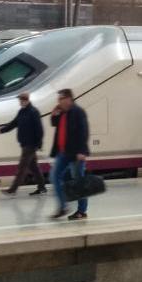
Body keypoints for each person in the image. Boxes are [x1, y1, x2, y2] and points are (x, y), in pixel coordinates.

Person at [49, 89, 90, 221]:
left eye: (62, 99)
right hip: (63, 152)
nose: (60, 102)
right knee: (54, 176)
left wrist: (82, 151)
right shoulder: (62, 113)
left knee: (78, 182)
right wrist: (54, 115)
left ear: (70, 99)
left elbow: (84, 132)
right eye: (59, 99)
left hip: (75, 153)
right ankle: (63, 206)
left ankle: (81, 211)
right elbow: (54, 124)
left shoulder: (78, 112)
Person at [0, 92, 46, 196]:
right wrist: (1, 130)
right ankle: (42, 188)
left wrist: (39, 144)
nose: (20, 102)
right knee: (34, 167)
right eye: (20, 100)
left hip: (31, 145)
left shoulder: (33, 112)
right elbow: (13, 123)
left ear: (26, 100)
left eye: (22, 100)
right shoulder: (21, 112)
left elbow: (39, 129)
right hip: (24, 144)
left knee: (22, 167)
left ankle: (12, 190)